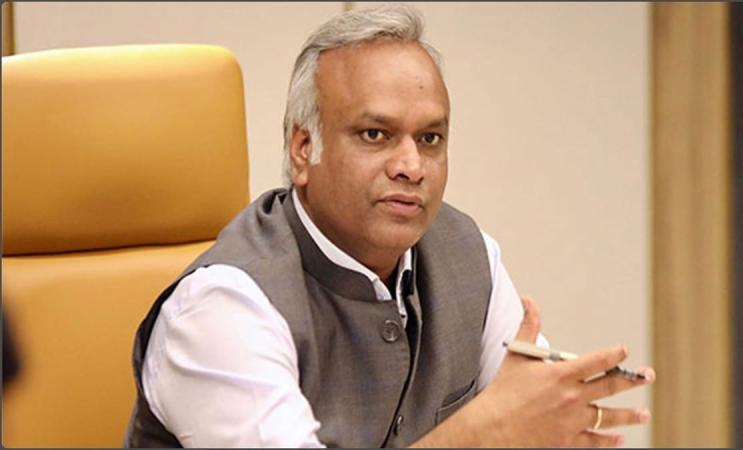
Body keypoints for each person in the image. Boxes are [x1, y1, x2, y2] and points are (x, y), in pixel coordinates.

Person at [124, 3, 655, 448]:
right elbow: (497, 428)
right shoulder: (224, 305)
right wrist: (481, 433)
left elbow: (529, 418)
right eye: (375, 135)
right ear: (304, 148)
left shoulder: (467, 255)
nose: (411, 166)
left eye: (430, 139)